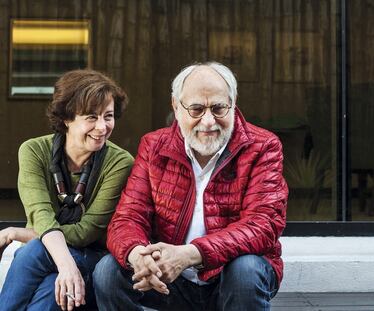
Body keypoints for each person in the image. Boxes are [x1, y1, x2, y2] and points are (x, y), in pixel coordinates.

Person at [93, 61, 288, 311]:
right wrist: (138, 255)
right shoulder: (154, 146)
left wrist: (189, 255)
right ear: (176, 106)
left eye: (218, 108)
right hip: (169, 280)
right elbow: (128, 216)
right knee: (108, 271)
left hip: (227, 276)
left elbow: (263, 224)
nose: (208, 122)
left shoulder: (263, 146)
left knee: (246, 270)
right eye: (196, 109)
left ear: (233, 101)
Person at [0, 69, 134, 311]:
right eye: (91, 117)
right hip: (53, 263)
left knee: (33, 251)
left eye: (109, 116)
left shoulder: (120, 162)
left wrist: (17, 233)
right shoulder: (33, 151)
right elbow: (41, 215)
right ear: (66, 118)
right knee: (51, 290)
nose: (102, 127)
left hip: (96, 258)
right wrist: (66, 266)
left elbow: (87, 232)